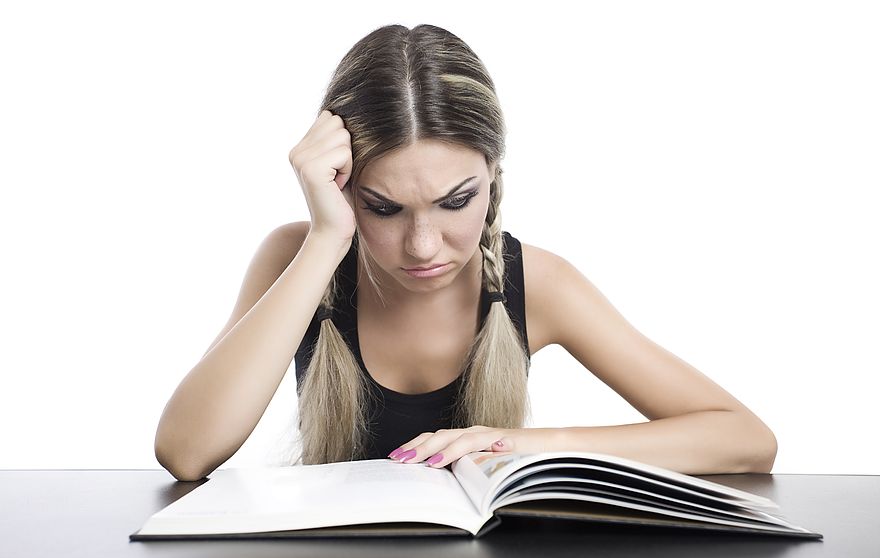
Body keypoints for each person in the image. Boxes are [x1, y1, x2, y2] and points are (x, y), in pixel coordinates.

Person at [154, 23, 777, 482]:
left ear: (493, 177)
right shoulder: (298, 258)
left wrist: (532, 445)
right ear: (343, 188)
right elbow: (186, 452)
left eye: (456, 202)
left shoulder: (537, 281)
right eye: (384, 207)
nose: (423, 246)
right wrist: (325, 240)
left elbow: (745, 438)